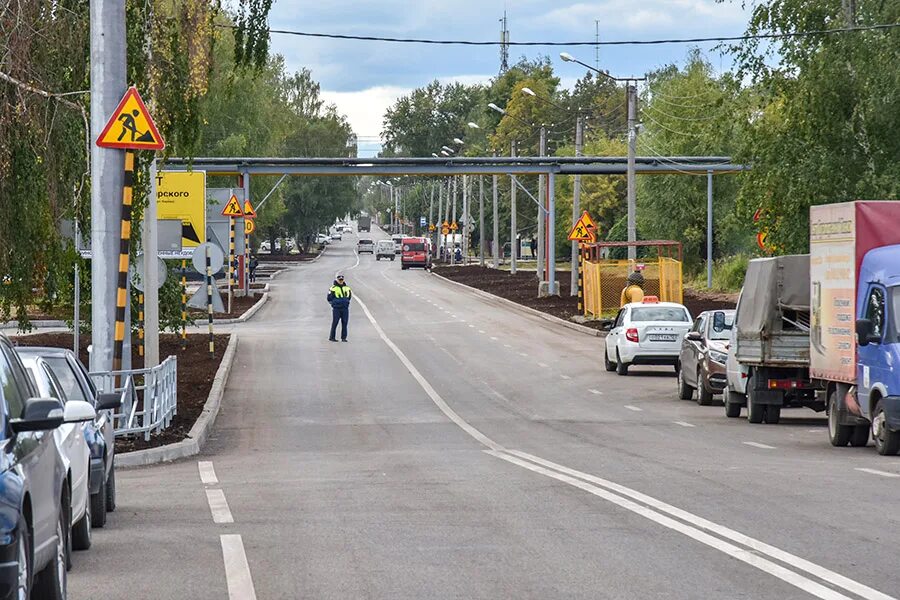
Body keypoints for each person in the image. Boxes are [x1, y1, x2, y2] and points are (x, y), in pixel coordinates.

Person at [327, 273, 352, 342]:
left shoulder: (347, 288)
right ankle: (332, 337)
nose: (341, 281)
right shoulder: (333, 288)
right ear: (337, 280)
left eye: (342, 280)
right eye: (339, 280)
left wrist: (346, 301)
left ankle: (343, 338)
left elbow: (349, 296)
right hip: (337, 308)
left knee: (345, 323)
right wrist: (334, 304)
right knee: (335, 322)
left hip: (345, 308)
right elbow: (329, 298)